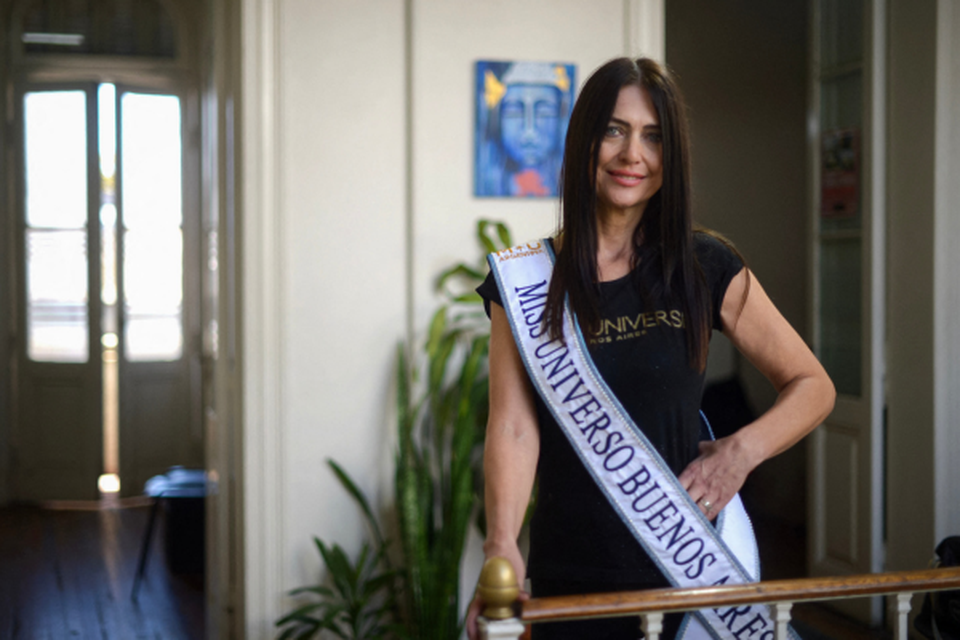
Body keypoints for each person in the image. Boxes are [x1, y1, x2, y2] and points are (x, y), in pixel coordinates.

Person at [466, 57, 836, 640]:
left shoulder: (703, 265)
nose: (631, 154)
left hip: (687, 570)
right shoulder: (526, 280)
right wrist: (501, 544)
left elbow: (813, 386)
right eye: (613, 129)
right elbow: (513, 427)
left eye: (653, 136)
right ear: (584, 140)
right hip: (570, 576)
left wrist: (740, 453)